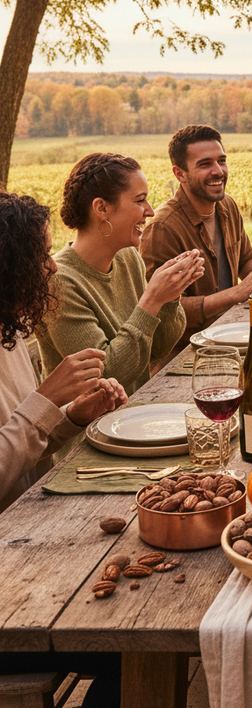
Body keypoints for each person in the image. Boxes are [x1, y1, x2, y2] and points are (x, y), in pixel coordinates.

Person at [0, 192, 128, 510]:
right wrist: (46, 398)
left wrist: (72, 415)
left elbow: (23, 447)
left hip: (31, 514)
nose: (53, 267)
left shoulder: (9, 331)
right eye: (41, 256)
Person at [37, 153, 201, 395]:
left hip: (135, 409)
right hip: (92, 420)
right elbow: (105, 377)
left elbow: (157, 349)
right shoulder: (59, 282)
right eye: (140, 200)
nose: (150, 211)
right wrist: (152, 300)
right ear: (102, 208)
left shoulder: (128, 257)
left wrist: (169, 296)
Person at [140, 125, 252, 339]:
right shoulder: (162, 228)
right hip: (188, 349)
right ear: (179, 173)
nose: (218, 171)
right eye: (205, 164)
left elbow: (246, 259)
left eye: (221, 161)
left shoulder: (227, 206)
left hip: (232, 332)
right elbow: (161, 309)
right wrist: (236, 293)